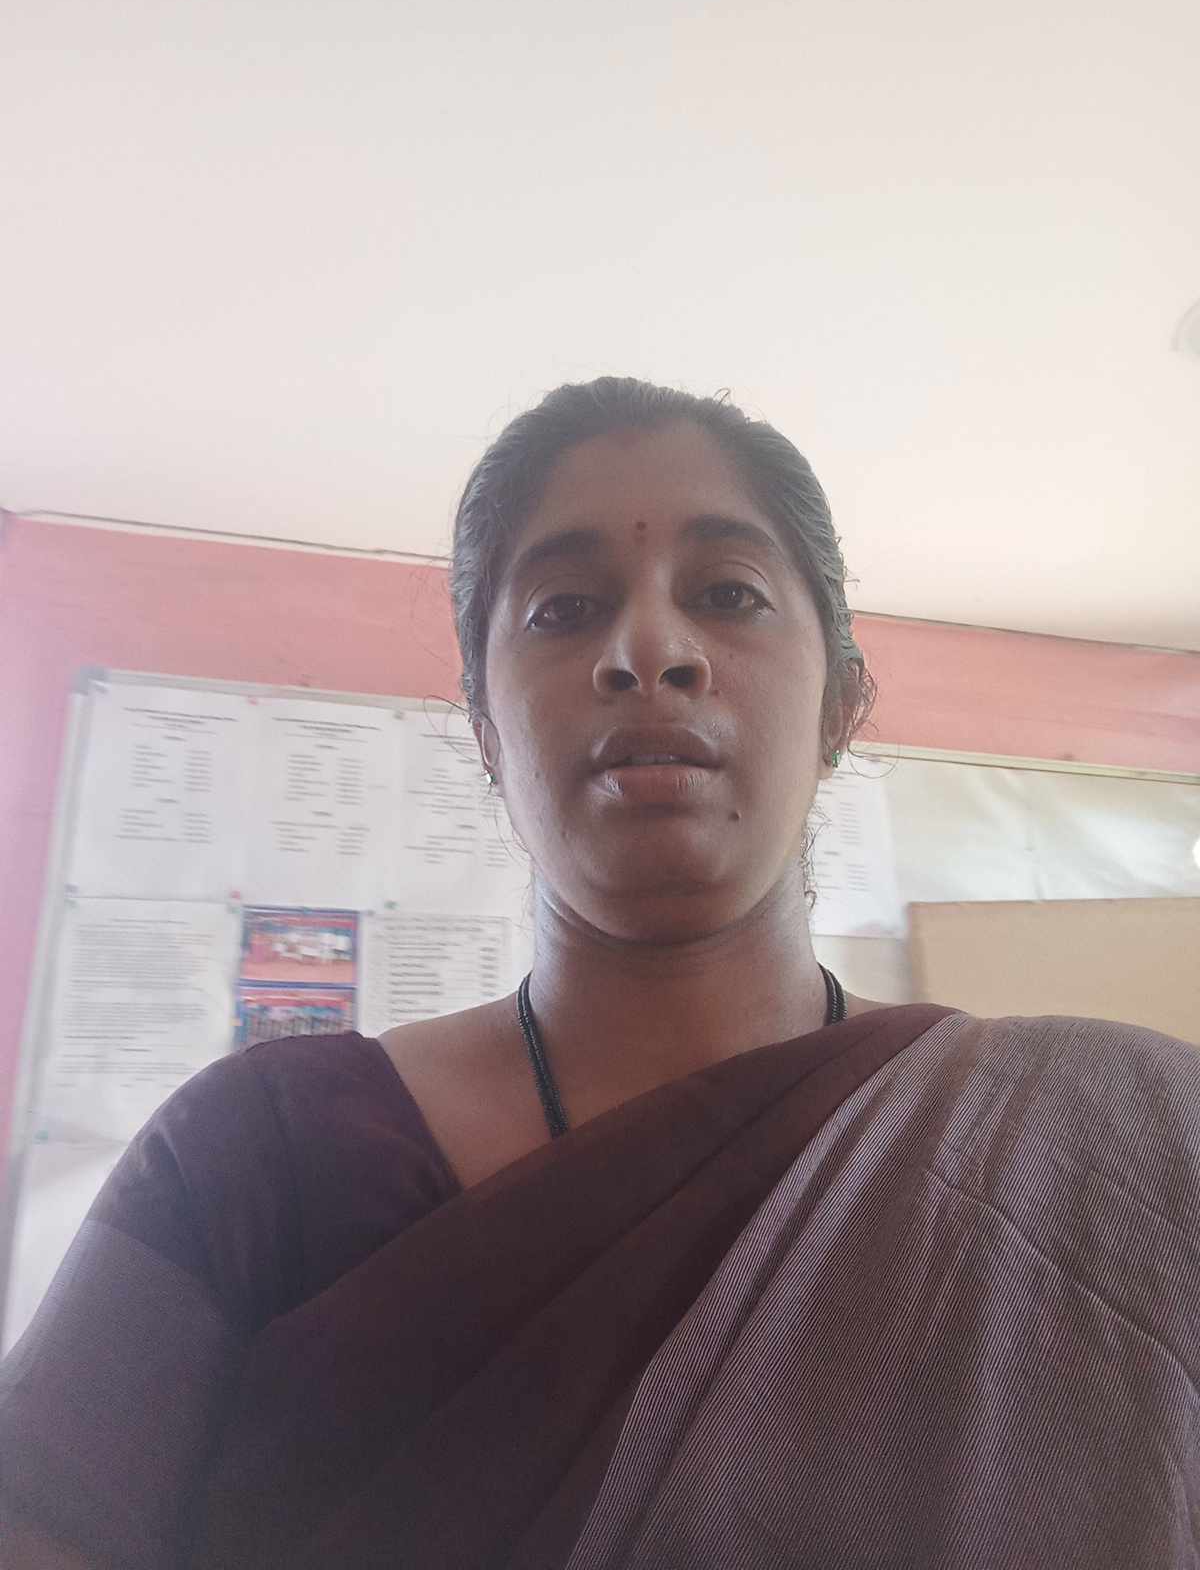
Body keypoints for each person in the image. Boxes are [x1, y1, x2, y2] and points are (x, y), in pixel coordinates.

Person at [2, 377, 1196, 1570]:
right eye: (564, 609)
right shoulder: (254, 1156)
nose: (649, 651)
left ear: (841, 703)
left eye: (728, 594)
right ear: (486, 733)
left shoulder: (1101, 1150)